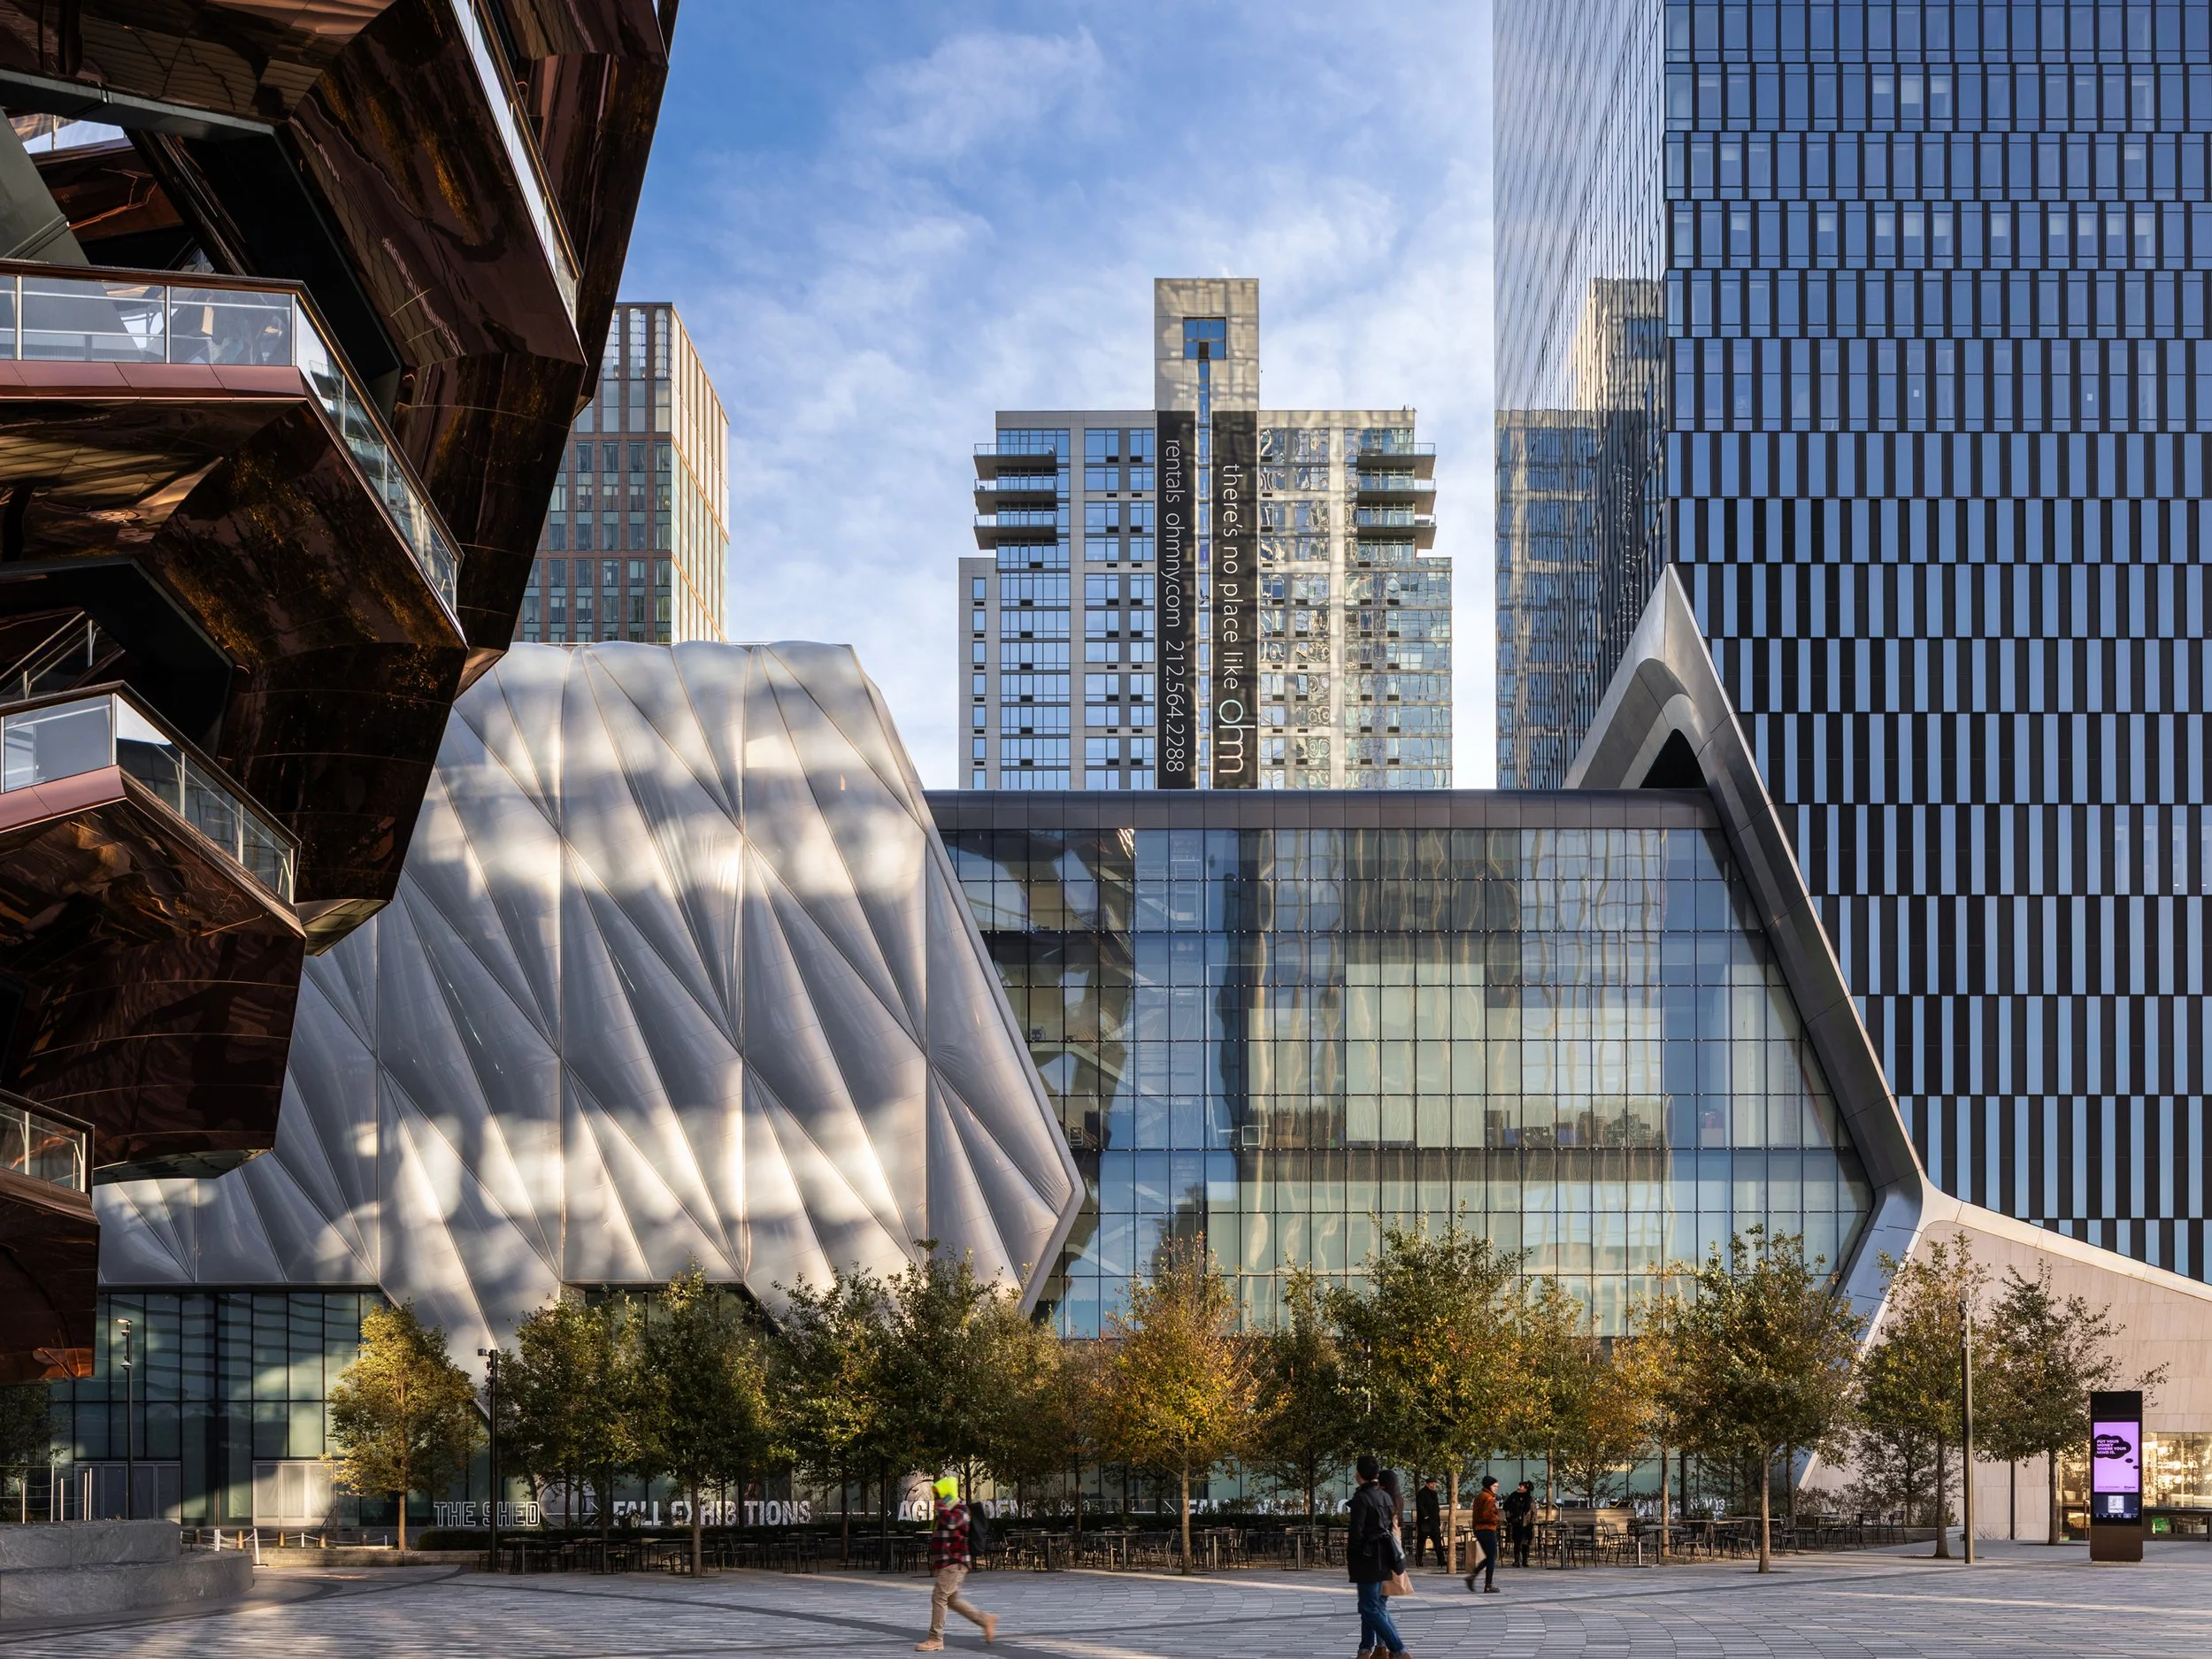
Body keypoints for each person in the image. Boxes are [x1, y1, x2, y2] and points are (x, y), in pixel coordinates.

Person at [917, 1476, 996, 1652]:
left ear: (947, 1494)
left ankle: (935, 1638)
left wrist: (941, 1508)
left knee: (939, 1597)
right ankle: (985, 1620)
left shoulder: (961, 1510)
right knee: (952, 1600)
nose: (936, 1499)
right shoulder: (946, 1511)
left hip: (956, 1562)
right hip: (948, 1563)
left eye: (939, 1495)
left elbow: (952, 1524)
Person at [1348, 1454, 1412, 1659]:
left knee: (1370, 1607)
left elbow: (1356, 1534)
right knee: (1372, 1606)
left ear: (1359, 1474)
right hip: (1383, 1557)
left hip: (1367, 1558)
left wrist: (1353, 1560)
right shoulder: (1384, 1497)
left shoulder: (1361, 1498)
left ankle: (1397, 1649)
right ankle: (1371, 1650)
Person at [1464, 1474, 1502, 1594]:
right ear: (1489, 1486)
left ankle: (1472, 1577)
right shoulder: (1488, 1498)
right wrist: (1497, 1519)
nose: (1496, 1488)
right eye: (1494, 1486)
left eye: (1497, 1486)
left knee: (1490, 1557)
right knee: (1491, 1557)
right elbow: (1487, 1515)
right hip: (1487, 1529)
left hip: (1480, 1529)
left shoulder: (1480, 1496)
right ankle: (1488, 1585)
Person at [1503, 1480, 1536, 1570]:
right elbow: (1506, 1507)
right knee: (1517, 1542)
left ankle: (1525, 1560)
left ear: (1526, 1489)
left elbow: (1534, 1512)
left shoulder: (1530, 1499)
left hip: (1526, 1524)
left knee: (1525, 1543)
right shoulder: (1513, 1497)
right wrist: (1509, 1518)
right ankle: (1516, 1560)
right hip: (1516, 1523)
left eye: (1521, 1486)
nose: (1518, 1487)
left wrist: (1531, 1523)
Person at [1414, 1477, 1444, 1569]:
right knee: (1421, 1542)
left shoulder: (1434, 1494)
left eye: (1435, 1483)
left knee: (1438, 1542)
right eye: (1432, 1483)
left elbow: (1436, 1507)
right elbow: (1420, 1506)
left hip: (1434, 1522)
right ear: (1427, 1484)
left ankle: (1441, 1561)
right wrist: (1426, 1516)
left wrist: (1438, 1520)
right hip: (1425, 1522)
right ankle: (1419, 1561)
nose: (1434, 1485)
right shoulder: (1422, 1493)